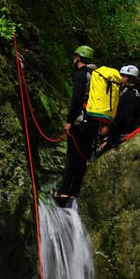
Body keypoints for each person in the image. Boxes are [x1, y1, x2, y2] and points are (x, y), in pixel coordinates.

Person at [56, 45, 99, 204]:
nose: (73, 60)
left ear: (79, 58)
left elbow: (76, 100)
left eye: (75, 57)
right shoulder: (95, 74)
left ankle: (63, 192)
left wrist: (69, 121)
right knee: (83, 156)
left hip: (80, 121)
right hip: (93, 121)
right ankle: (75, 191)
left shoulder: (81, 75)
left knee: (73, 155)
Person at [97, 64, 140, 156]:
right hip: (117, 131)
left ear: (131, 79)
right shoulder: (126, 91)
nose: (120, 78)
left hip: (122, 133)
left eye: (124, 76)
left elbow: (125, 118)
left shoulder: (132, 94)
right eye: (120, 75)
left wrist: (109, 128)